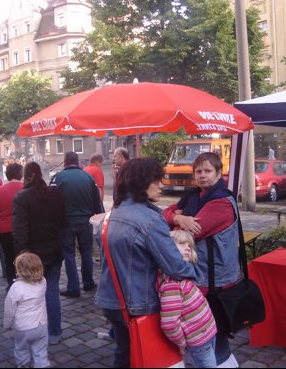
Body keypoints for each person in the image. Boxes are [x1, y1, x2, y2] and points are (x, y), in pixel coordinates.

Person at [95, 158, 203, 368]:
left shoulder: (109, 216)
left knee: (124, 351)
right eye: (157, 180)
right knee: (149, 355)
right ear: (141, 182)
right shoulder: (150, 221)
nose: (162, 185)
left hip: (111, 299)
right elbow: (176, 267)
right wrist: (196, 276)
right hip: (139, 304)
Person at [162, 152, 242, 368]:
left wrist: (177, 220)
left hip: (216, 280)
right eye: (198, 171)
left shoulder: (222, 202)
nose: (202, 176)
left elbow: (185, 235)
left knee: (213, 333)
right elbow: (165, 215)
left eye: (208, 171)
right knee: (200, 327)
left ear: (219, 173)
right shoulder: (194, 195)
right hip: (201, 274)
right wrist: (178, 217)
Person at [13, 161, 66, 344]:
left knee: (32, 295)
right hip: (54, 250)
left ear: (26, 177)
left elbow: (20, 229)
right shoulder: (55, 193)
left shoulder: (22, 197)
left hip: (33, 254)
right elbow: (63, 222)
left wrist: (21, 253)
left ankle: (35, 330)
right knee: (51, 292)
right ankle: (54, 331)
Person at [157, 229, 217, 368]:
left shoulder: (181, 276)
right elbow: (170, 324)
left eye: (189, 245)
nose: (188, 247)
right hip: (198, 342)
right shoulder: (172, 284)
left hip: (207, 335)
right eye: (181, 243)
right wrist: (181, 343)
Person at [51, 152, 104, 298]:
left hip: (65, 222)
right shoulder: (88, 177)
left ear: (65, 162)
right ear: (78, 161)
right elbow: (97, 201)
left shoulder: (57, 178)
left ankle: (73, 287)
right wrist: (99, 217)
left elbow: (51, 201)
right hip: (86, 221)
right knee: (86, 252)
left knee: (69, 254)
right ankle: (88, 282)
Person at [4, 252, 50, 368]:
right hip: (41, 324)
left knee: (21, 349)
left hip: (24, 327)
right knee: (40, 350)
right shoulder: (43, 281)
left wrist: (7, 324)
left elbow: (9, 309)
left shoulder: (16, 288)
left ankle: (23, 365)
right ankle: (42, 365)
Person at [0, 163, 24, 291]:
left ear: (7, 174)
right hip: (23, 229)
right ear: (20, 174)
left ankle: (12, 283)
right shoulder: (26, 188)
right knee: (24, 256)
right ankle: (25, 282)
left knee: (9, 257)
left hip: (5, 230)